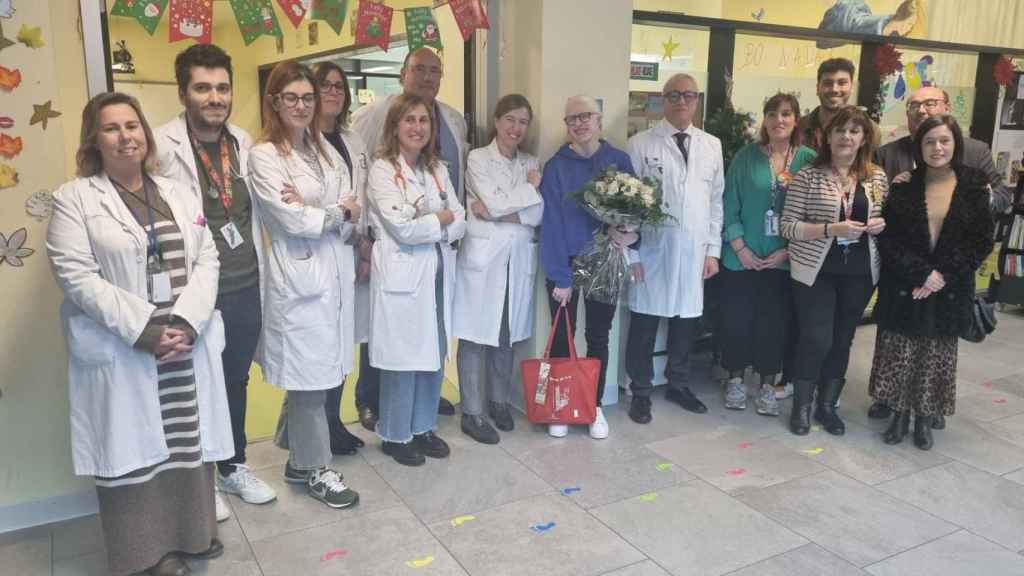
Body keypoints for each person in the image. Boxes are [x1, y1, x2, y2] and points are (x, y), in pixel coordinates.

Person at [48, 92, 233, 576]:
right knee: (134, 455)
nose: (126, 136)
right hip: (126, 345)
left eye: (133, 125)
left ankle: (194, 536)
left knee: (187, 443)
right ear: (94, 137)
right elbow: (76, 275)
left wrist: (187, 321)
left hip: (185, 342)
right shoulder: (75, 198)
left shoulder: (177, 190)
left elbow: (208, 258)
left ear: (145, 134)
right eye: (112, 128)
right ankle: (145, 555)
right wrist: (148, 329)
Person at [154, 43, 275, 523]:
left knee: (235, 379)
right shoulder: (161, 146)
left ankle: (233, 465)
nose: (214, 97)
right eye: (203, 88)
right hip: (194, 290)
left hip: (245, 283)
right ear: (184, 92)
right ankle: (199, 477)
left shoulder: (245, 143)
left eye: (222, 87)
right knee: (193, 383)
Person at [248, 60, 360, 508]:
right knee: (311, 378)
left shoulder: (325, 149)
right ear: (274, 101)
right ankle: (315, 469)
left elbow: (353, 201)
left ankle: (298, 458)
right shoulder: (264, 155)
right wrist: (332, 211)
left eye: (307, 97)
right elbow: (288, 217)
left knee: (325, 371)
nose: (301, 105)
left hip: (333, 270)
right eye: (291, 97)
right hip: (298, 277)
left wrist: (325, 209)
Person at [869, 85, 1009, 424]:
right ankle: (893, 403)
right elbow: (888, 231)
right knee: (898, 347)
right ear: (919, 146)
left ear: (955, 142)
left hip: (949, 281)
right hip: (904, 279)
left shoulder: (974, 179)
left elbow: (980, 238)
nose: (937, 147)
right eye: (930, 142)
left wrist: (939, 276)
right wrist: (920, 273)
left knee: (936, 350)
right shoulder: (898, 171)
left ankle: (929, 408)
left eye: (944, 141)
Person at [351, 46, 465, 417]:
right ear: (403, 73)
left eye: (435, 70)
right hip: (387, 239)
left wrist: (448, 224)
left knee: (428, 326)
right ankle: (370, 399)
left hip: (436, 245)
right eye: (419, 69)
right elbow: (362, 172)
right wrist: (364, 236)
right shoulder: (373, 115)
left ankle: (422, 401)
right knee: (383, 327)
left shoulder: (452, 118)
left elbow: (454, 187)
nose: (427, 76)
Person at [367, 93, 467, 466]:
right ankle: (395, 434)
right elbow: (402, 229)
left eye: (423, 120)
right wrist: (438, 220)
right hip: (402, 275)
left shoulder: (437, 168)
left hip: (437, 273)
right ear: (395, 126)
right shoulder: (381, 169)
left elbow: (460, 219)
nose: (417, 127)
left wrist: (436, 222)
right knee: (402, 358)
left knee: (434, 353)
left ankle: (424, 426)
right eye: (409, 120)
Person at [781, 105, 888, 436]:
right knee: (816, 338)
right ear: (827, 136)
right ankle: (802, 406)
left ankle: (827, 407)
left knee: (842, 339)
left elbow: (886, 218)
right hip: (816, 271)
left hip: (860, 272)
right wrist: (831, 229)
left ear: (864, 138)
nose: (846, 137)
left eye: (855, 131)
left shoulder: (877, 177)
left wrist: (880, 224)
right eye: (840, 130)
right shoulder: (809, 176)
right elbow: (788, 227)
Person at [624, 75, 723, 424]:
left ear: (697, 101)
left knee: (685, 323)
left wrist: (712, 250)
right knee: (645, 323)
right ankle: (640, 390)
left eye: (688, 95)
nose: (682, 101)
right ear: (663, 100)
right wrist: (632, 253)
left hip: (694, 251)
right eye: (674, 95)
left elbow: (715, 202)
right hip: (652, 251)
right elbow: (628, 206)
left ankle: (679, 384)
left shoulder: (712, 145)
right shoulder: (640, 145)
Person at [540, 95, 637, 439]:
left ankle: (592, 406)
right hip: (565, 263)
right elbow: (549, 224)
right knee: (563, 340)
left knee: (598, 336)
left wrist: (629, 234)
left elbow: (635, 211)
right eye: (572, 119)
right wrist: (559, 277)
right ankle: (562, 406)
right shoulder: (556, 167)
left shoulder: (619, 160)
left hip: (605, 262)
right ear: (566, 126)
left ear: (599, 120)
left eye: (586, 117)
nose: (580, 124)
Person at [718, 93, 817, 416]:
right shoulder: (745, 157)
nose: (779, 120)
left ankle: (766, 386)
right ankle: (734, 380)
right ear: (764, 119)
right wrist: (740, 248)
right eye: (772, 114)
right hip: (740, 259)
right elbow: (728, 204)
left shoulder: (809, 161)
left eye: (786, 114)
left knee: (773, 326)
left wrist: (787, 252)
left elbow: (815, 215)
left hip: (783, 262)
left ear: (796, 119)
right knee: (736, 322)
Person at [453, 94, 543, 444]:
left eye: (523, 122)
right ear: (496, 121)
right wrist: (528, 191)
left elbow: (538, 214)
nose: (516, 128)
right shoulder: (477, 158)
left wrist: (500, 209)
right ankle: (472, 412)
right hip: (484, 259)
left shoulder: (531, 162)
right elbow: (494, 202)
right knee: (475, 335)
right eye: (510, 120)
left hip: (516, 260)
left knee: (505, 334)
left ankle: (499, 401)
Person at [312, 61, 371, 454]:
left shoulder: (354, 142)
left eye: (339, 86)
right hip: (319, 254)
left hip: (352, 250)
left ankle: (332, 421)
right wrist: (347, 224)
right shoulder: (301, 143)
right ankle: (313, 428)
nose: (333, 92)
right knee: (320, 348)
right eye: (325, 85)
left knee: (344, 343)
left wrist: (365, 242)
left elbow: (362, 199)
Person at [798, 58, 880, 152]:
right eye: (828, 83)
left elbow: (870, 165)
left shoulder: (870, 129)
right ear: (817, 88)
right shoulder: (799, 127)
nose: (834, 89)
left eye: (842, 83)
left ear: (852, 87)